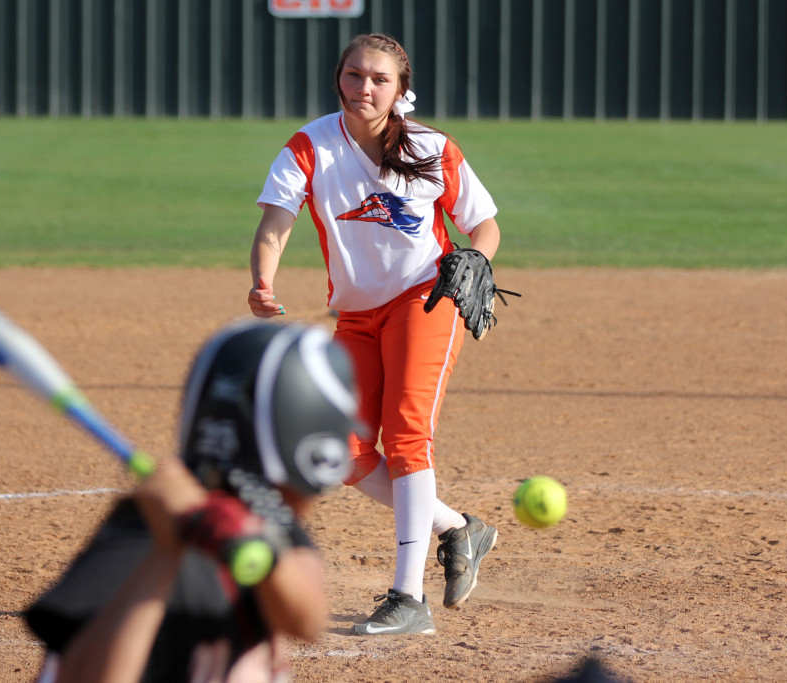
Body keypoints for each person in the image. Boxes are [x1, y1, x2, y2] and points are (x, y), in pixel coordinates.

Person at [248, 33, 503, 636]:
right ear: (339, 78)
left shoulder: (431, 147)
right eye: (355, 75)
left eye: (380, 79)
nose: (365, 88)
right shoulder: (309, 146)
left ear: (401, 89)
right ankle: (457, 528)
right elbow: (275, 224)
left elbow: (484, 224)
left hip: (426, 298)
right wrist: (262, 280)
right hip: (358, 314)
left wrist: (478, 261)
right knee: (342, 447)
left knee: (408, 435)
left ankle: (407, 599)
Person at [25, 321, 360, 682]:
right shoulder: (141, 535)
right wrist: (167, 551)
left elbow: (307, 621)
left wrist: (254, 547)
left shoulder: (262, 515)